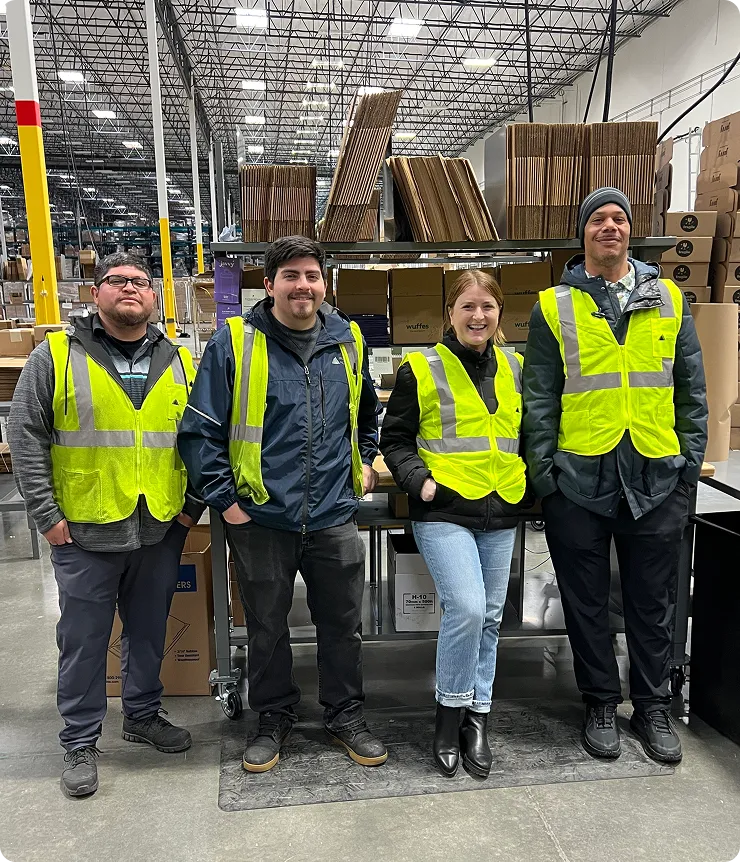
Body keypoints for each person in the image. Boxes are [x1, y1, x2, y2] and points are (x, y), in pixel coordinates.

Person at [177, 235, 387, 772]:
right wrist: (226, 502)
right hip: (261, 517)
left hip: (333, 515)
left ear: (324, 283)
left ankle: (345, 713)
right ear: (269, 285)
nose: (303, 286)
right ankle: (273, 717)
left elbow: (364, 413)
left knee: (343, 623)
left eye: (312, 275)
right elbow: (201, 431)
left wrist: (364, 457)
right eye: (291, 276)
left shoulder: (348, 340)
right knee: (267, 626)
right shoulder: (236, 343)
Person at [522, 188, 707, 764]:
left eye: (619, 218)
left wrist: (687, 468)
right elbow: (539, 397)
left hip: (656, 476)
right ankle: (600, 700)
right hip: (578, 480)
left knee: (653, 601)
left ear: (632, 231)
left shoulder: (671, 299)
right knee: (586, 602)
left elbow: (692, 393)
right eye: (598, 218)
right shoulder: (554, 305)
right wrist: (545, 476)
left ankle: (652, 706)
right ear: (583, 234)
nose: (610, 226)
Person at [8, 252, 201, 798]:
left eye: (142, 282)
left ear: (155, 295)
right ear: (96, 294)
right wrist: (47, 516)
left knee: (147, 632)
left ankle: (141, 715)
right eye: (117, 282)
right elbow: (26, 437)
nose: (131, 290)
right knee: (84, 640)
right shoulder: (57, 356)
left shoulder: (181, 360)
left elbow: (201, 437)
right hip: (85, 528)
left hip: (160, 526)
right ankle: (80, 739)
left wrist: (191, 507)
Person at [380, 270, 531, 779]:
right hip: (444, 509)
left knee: (490, 615)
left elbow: (527, 434)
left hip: (502, 505)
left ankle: (478, 717)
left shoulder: (516, 365)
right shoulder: (421, 367)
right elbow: (394, 439)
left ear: (499, 312)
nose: (478, 316)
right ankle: (447, 718)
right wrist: (418, 481)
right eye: (467, 306)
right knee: (466, 607)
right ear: (450, 312)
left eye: (487, 306)